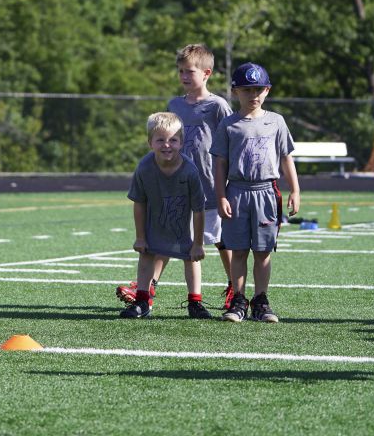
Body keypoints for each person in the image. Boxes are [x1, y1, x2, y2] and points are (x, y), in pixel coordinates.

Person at [115, 44, 232, 318]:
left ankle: (234, 288)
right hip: (174, 185)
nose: (183, 76)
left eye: (189, 71)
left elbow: (229, 141)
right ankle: (148, 288)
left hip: (208, 185)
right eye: (180, 71)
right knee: (167, 235)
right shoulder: (175, 105)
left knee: (219, 240)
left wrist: (226, 182)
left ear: (206, 73)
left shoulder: (217, 106)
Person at [211, 62, 300, 323]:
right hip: (237, 191)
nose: (254, 95)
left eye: (259, 89)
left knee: (262, 251)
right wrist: (221, 196)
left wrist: (295, 189)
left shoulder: (276, 122)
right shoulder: (229, 124)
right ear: (236, 91)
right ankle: (238, 300)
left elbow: (286, 158)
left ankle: (261, 300)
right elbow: (220, 164)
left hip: (266, 192)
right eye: (247, 90)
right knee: (238, 250)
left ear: (267, 90)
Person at [119, 112, 207, 318]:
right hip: (154, 223)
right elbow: (139, 203)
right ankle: (142, 301)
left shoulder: (190, 171)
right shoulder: (144, 168)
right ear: (150, 142)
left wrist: (198, 243)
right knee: (146, 256)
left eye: (173, 140)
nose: (167, 145)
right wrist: (140, 236)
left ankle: (195, 302)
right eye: (160, 140)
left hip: (181, 225)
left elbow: (198, 209)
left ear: (182, 142)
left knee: (191, 259)